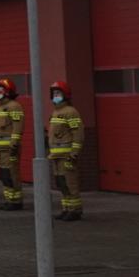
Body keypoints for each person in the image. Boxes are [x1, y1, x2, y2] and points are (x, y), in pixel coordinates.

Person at [47, 81, 86, 221]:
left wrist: (74, 152)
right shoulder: (55, 113)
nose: (56, 96)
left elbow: (78, 133)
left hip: (67, 156)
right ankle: (66, 208)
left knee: (70, 183)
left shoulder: (71, 112)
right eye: (54, 94)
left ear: (65, 95)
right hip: (56, 156)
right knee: (61, 183)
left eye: (59, 93)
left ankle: (75, 210)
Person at [0, 79, 26, 211]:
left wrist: (14, 144)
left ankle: (16, 201)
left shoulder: (14, 106)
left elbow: (18, 127)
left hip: (9, 149)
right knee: (4, 174)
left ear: (8, 92)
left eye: (1, 90)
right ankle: (8, 199)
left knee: (12, 174)